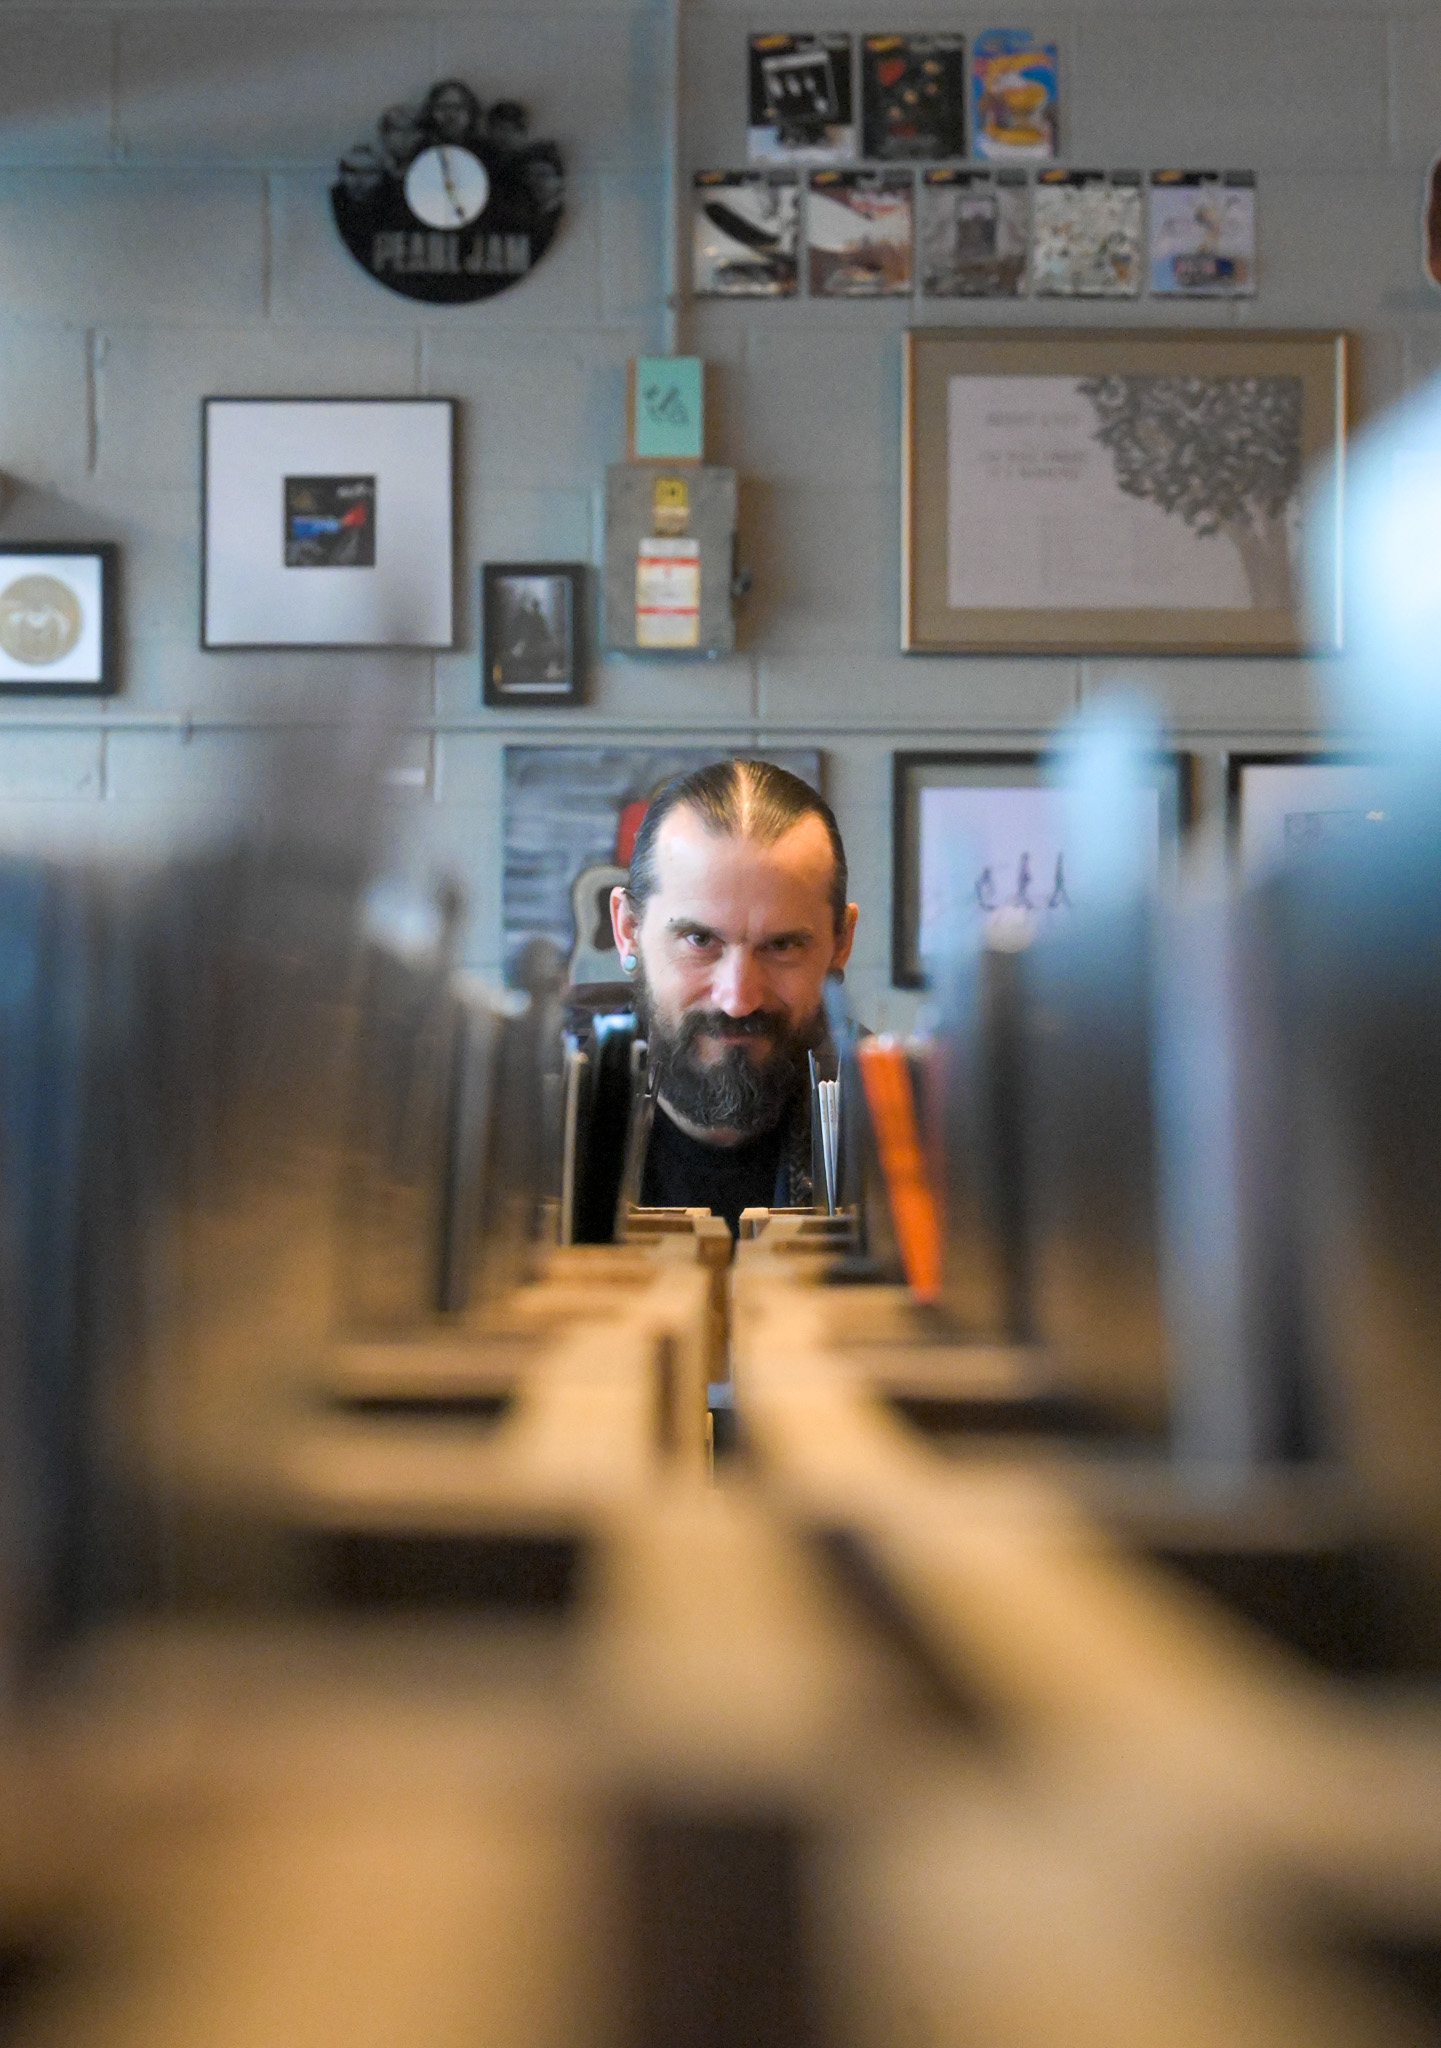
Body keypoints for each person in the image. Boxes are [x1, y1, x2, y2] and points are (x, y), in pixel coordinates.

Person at [608, 759, 857, 1236]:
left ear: (841, 942)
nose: (738, 1000)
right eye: (700, 940)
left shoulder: (913, 1135)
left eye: (781, 945)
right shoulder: (530, 1131)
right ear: (628, 930)